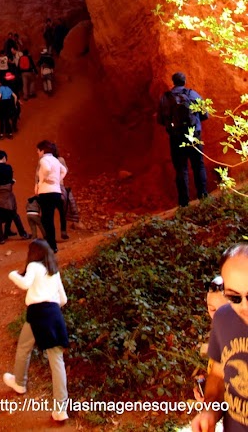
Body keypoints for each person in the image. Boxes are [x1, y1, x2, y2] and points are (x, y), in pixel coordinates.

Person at [3, 239, 69, 422]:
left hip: (38, 313)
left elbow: (24, 284)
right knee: (57, 360)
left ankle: (19, 383)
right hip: (54, 314)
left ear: (34, 253)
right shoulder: (53, 271)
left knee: (24, 348)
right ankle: (60, 409)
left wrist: (12, 274)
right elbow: (63, 299)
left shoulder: (33, 265)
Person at [192, 243, 248, 432]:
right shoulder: (224, 318)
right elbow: (217, 375)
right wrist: (210, 411)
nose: (244, 307)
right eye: (234, 297)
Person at [157, 71, 209, 207]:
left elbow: (161, 120)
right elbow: (205, 115)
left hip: (176, 137)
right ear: (185, 81)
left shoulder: (165, 98)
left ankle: (184, 203)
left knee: (181, 169)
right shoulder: (193, 94)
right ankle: (203, 197)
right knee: (199, 165)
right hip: (194, 135)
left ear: (173, 82)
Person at [0, 151, 30, 244]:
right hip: (7, 195)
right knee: (14, 214)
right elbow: (9, 180)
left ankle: (1, 238)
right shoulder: (8, 168)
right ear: (3, 158)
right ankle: (23, 234)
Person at [35, 141, 67, 252]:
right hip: (56, 192)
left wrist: (43, 180)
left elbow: (47, 170)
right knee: (48, 219)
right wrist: (57, 180)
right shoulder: (55, 160)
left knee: (46, 220)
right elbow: (64, 170)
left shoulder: (43, 160)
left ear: (42, 150)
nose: (38, 153)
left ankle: (51, 245)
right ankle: (51, 244)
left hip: (46, 193)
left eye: (38, 151)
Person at [47, 143, 70, 241]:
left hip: (49, 189)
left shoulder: (45, 161)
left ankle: (50, 235)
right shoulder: (60, 160)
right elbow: (66, 170)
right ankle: (63, 231)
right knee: (62, 211)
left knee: (49, 213)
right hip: (59, 187)